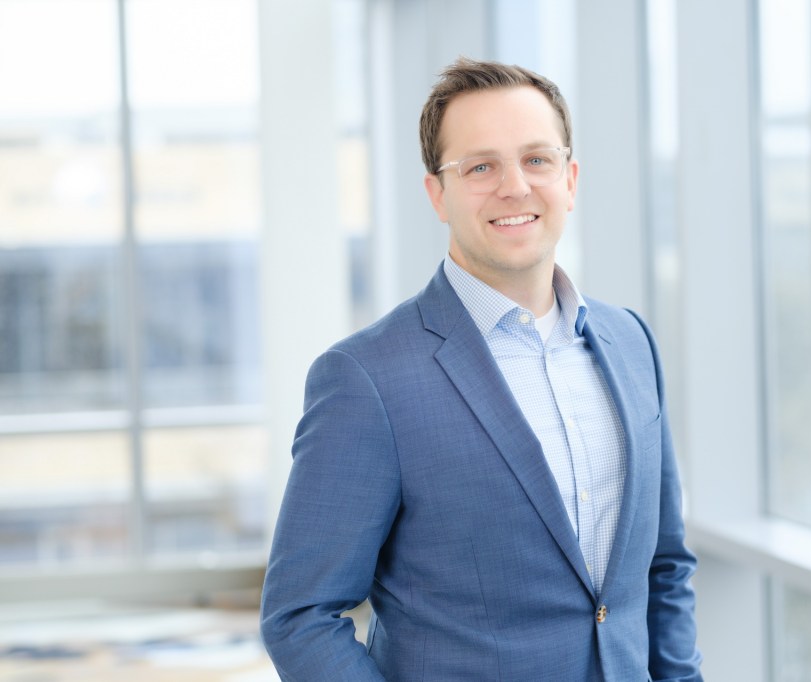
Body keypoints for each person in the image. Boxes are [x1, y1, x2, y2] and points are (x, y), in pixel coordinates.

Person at [260, 57, 703, 682]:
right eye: (480, 167)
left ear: (570, 179)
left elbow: (663, 566)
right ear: (437, 194)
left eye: (537, 160)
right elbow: (301, 615)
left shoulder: (629, 341)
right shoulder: (367, 379)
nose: (515, 186)